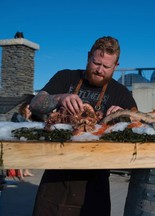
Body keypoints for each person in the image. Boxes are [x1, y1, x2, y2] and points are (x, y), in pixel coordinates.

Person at [30, 36, 137, 216]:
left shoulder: (121, 93)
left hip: (94, 185)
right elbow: (35, 103)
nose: (99, 70)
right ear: (89, 57)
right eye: (96, 63)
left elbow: (137, 125)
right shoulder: (66, 77)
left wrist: (123, 115)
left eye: (106, 67)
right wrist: (60, 98)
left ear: (116, 66)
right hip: (55, 181)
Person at [9, 99, 35, 180]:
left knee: (28, 156)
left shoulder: (30, 119)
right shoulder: (18, 117)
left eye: (30, 108)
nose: (29, 110)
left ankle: (26, 171)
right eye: (27, 108)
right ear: (23, 109)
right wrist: (26, 117)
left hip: (28, 140)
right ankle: (20, 173)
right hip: (20, 140)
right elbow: (21, 126)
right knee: (21, 156)